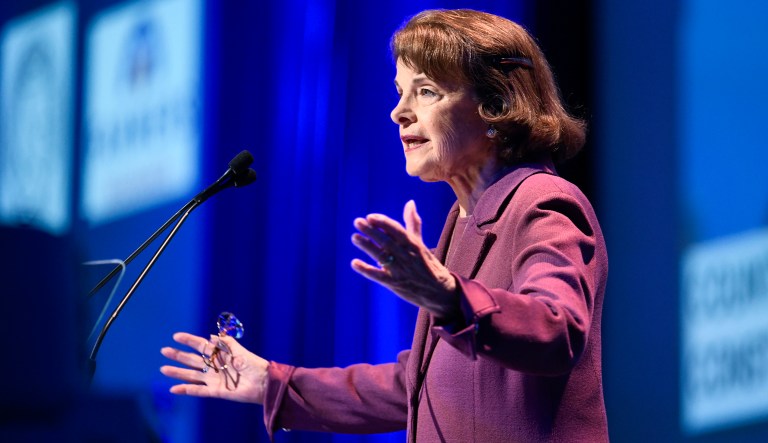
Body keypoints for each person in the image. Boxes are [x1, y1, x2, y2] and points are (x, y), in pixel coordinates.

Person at [160, 8, 609, 443]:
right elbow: (412, 386)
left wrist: (453, 300)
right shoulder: (461, 223)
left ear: (496, 105)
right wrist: (273, 383)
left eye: (427, 91)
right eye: (399, 92)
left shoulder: (542, 202)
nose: (399, 112)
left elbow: (558, 329)